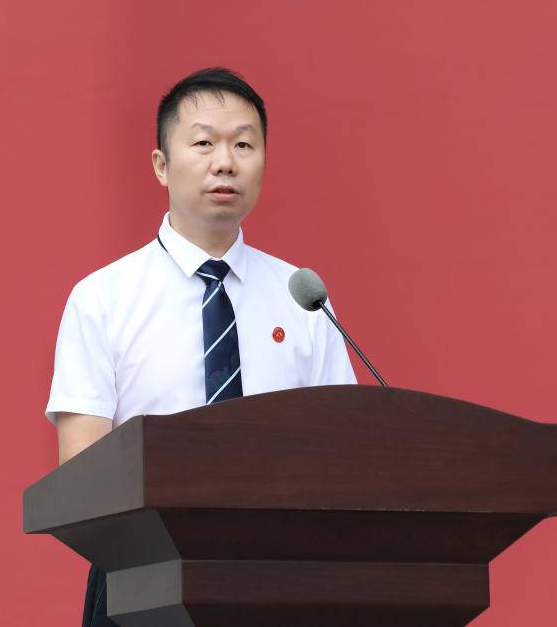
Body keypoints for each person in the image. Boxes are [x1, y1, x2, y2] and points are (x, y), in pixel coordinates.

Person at [44, 67, 356, 626]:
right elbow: (81, 471)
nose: (225, 162)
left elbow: (344, 451)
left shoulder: (302, 297)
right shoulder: (103, 299)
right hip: (142, 574)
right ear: (161, 165)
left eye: (244, 145)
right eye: (204, 143)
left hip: (280, 574)